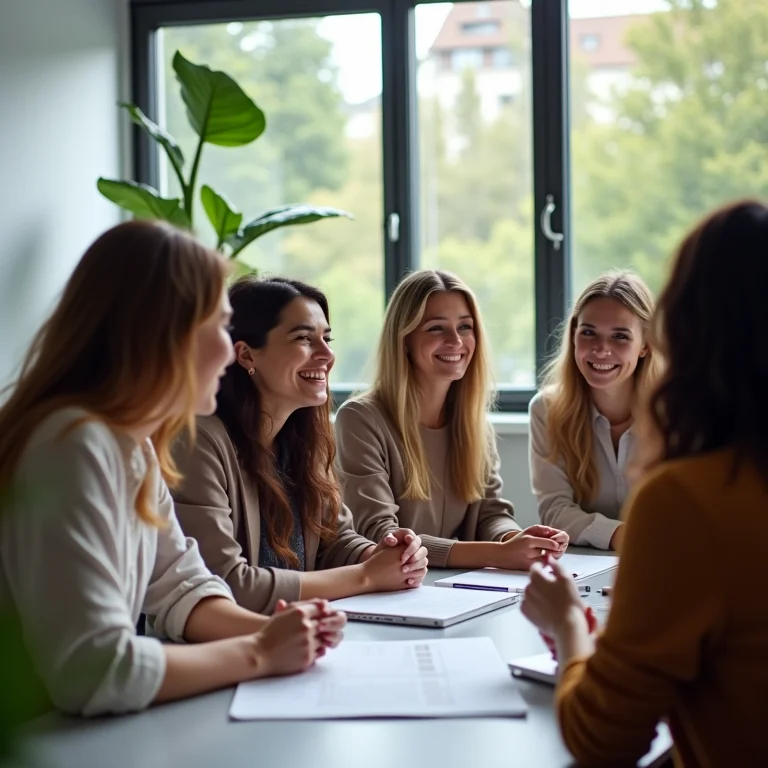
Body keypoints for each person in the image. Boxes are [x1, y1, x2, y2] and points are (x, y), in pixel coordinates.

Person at [0, 221, 344, 718]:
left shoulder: (132, 445)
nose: (230, 351)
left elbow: (182, 587)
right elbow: (91, 670)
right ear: (163, 335)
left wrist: (278, 631)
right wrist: (260, 652)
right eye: (217, 329)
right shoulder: (72, 445)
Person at [521, 200, 768, 766]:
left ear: (673, 331)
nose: (602, 352)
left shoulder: (688, 498)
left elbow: (603, 739)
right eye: (589, 335)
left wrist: (564, 623)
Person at [171, 276, 428, 614]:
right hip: (222, 649)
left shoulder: (303, 439)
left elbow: (333, 541)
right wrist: (367, 575)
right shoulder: (198, 440)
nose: (327, 354)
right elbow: (226, 583)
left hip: (298, 637)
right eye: (304, 339)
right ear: (247, 355)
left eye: (326, 338)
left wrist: (385, 555)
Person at [336, 269, 568, 569]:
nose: (455, 341)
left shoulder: (473, 423)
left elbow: (490, 514)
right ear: (404, 338)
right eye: (436, 328)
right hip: (391, 593)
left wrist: (516, 539)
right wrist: (498, 554)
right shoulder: (360, 419)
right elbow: (384, 538)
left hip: (460, 590)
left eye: (465, 327)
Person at [529, 272, 661, 550]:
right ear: (574, 336)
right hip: (585, 567)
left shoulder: (678, 411)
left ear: (645, 345)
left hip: (666, 557)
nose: (601, 350)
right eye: (588, 333)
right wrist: (626, 536)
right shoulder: (547, 409)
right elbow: (555, 510)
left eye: (620, 337)